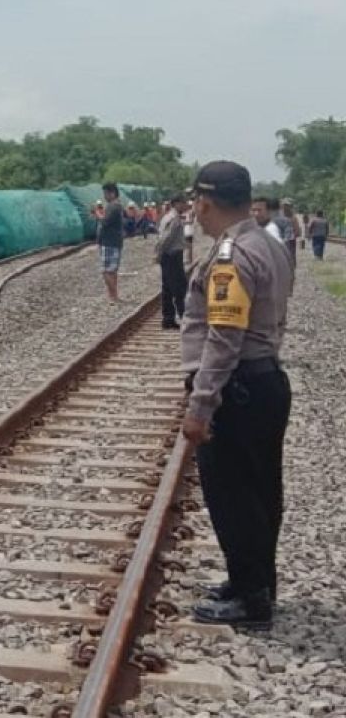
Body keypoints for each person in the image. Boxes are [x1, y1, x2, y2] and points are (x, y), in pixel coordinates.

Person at [182, 160, 292, 629]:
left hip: (238, 389)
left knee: (233, 496)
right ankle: (255, 581)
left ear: (205, 202)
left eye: (195, 204)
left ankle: (250, 599)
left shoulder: (230, 255)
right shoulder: (269, 242)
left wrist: (201, 405)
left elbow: (224, 337)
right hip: (265, 381)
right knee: (261, 491)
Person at [155, 195, 187, 329]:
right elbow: (166, 239)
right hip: (172, 256)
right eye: (183, 203)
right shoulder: (174, 219)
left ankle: (168, 319)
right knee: (179, 288)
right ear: (176, 204)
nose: (185, 205)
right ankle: (185, 319)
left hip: (169, 256)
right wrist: (158, 253)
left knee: (167, 288)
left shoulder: (169, 217)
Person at [98, 183, 124, 303]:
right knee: (112, 270)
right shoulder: (116, 206)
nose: (104, 196)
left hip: (110, 242)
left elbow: (105, 222)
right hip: (114, 241)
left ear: (112, 193)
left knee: (106, 270)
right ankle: (112, 295)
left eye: (106, 193)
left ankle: (113, 295)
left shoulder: (113, 206)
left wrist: (98, 215)